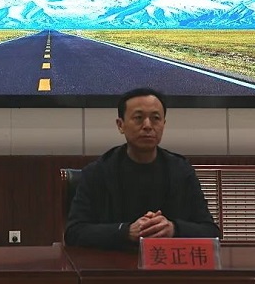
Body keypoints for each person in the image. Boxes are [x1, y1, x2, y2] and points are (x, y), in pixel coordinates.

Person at [65, 87, 219, 250]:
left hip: (167, 262)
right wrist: (125, 231)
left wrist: (173, 229)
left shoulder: (181, 171)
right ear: (121, 125)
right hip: (115, 263)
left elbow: (211, 231)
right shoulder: (98, 172)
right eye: (138, 118)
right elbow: (74, 232)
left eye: (155, 118)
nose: (147, 126)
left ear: (163, 124)